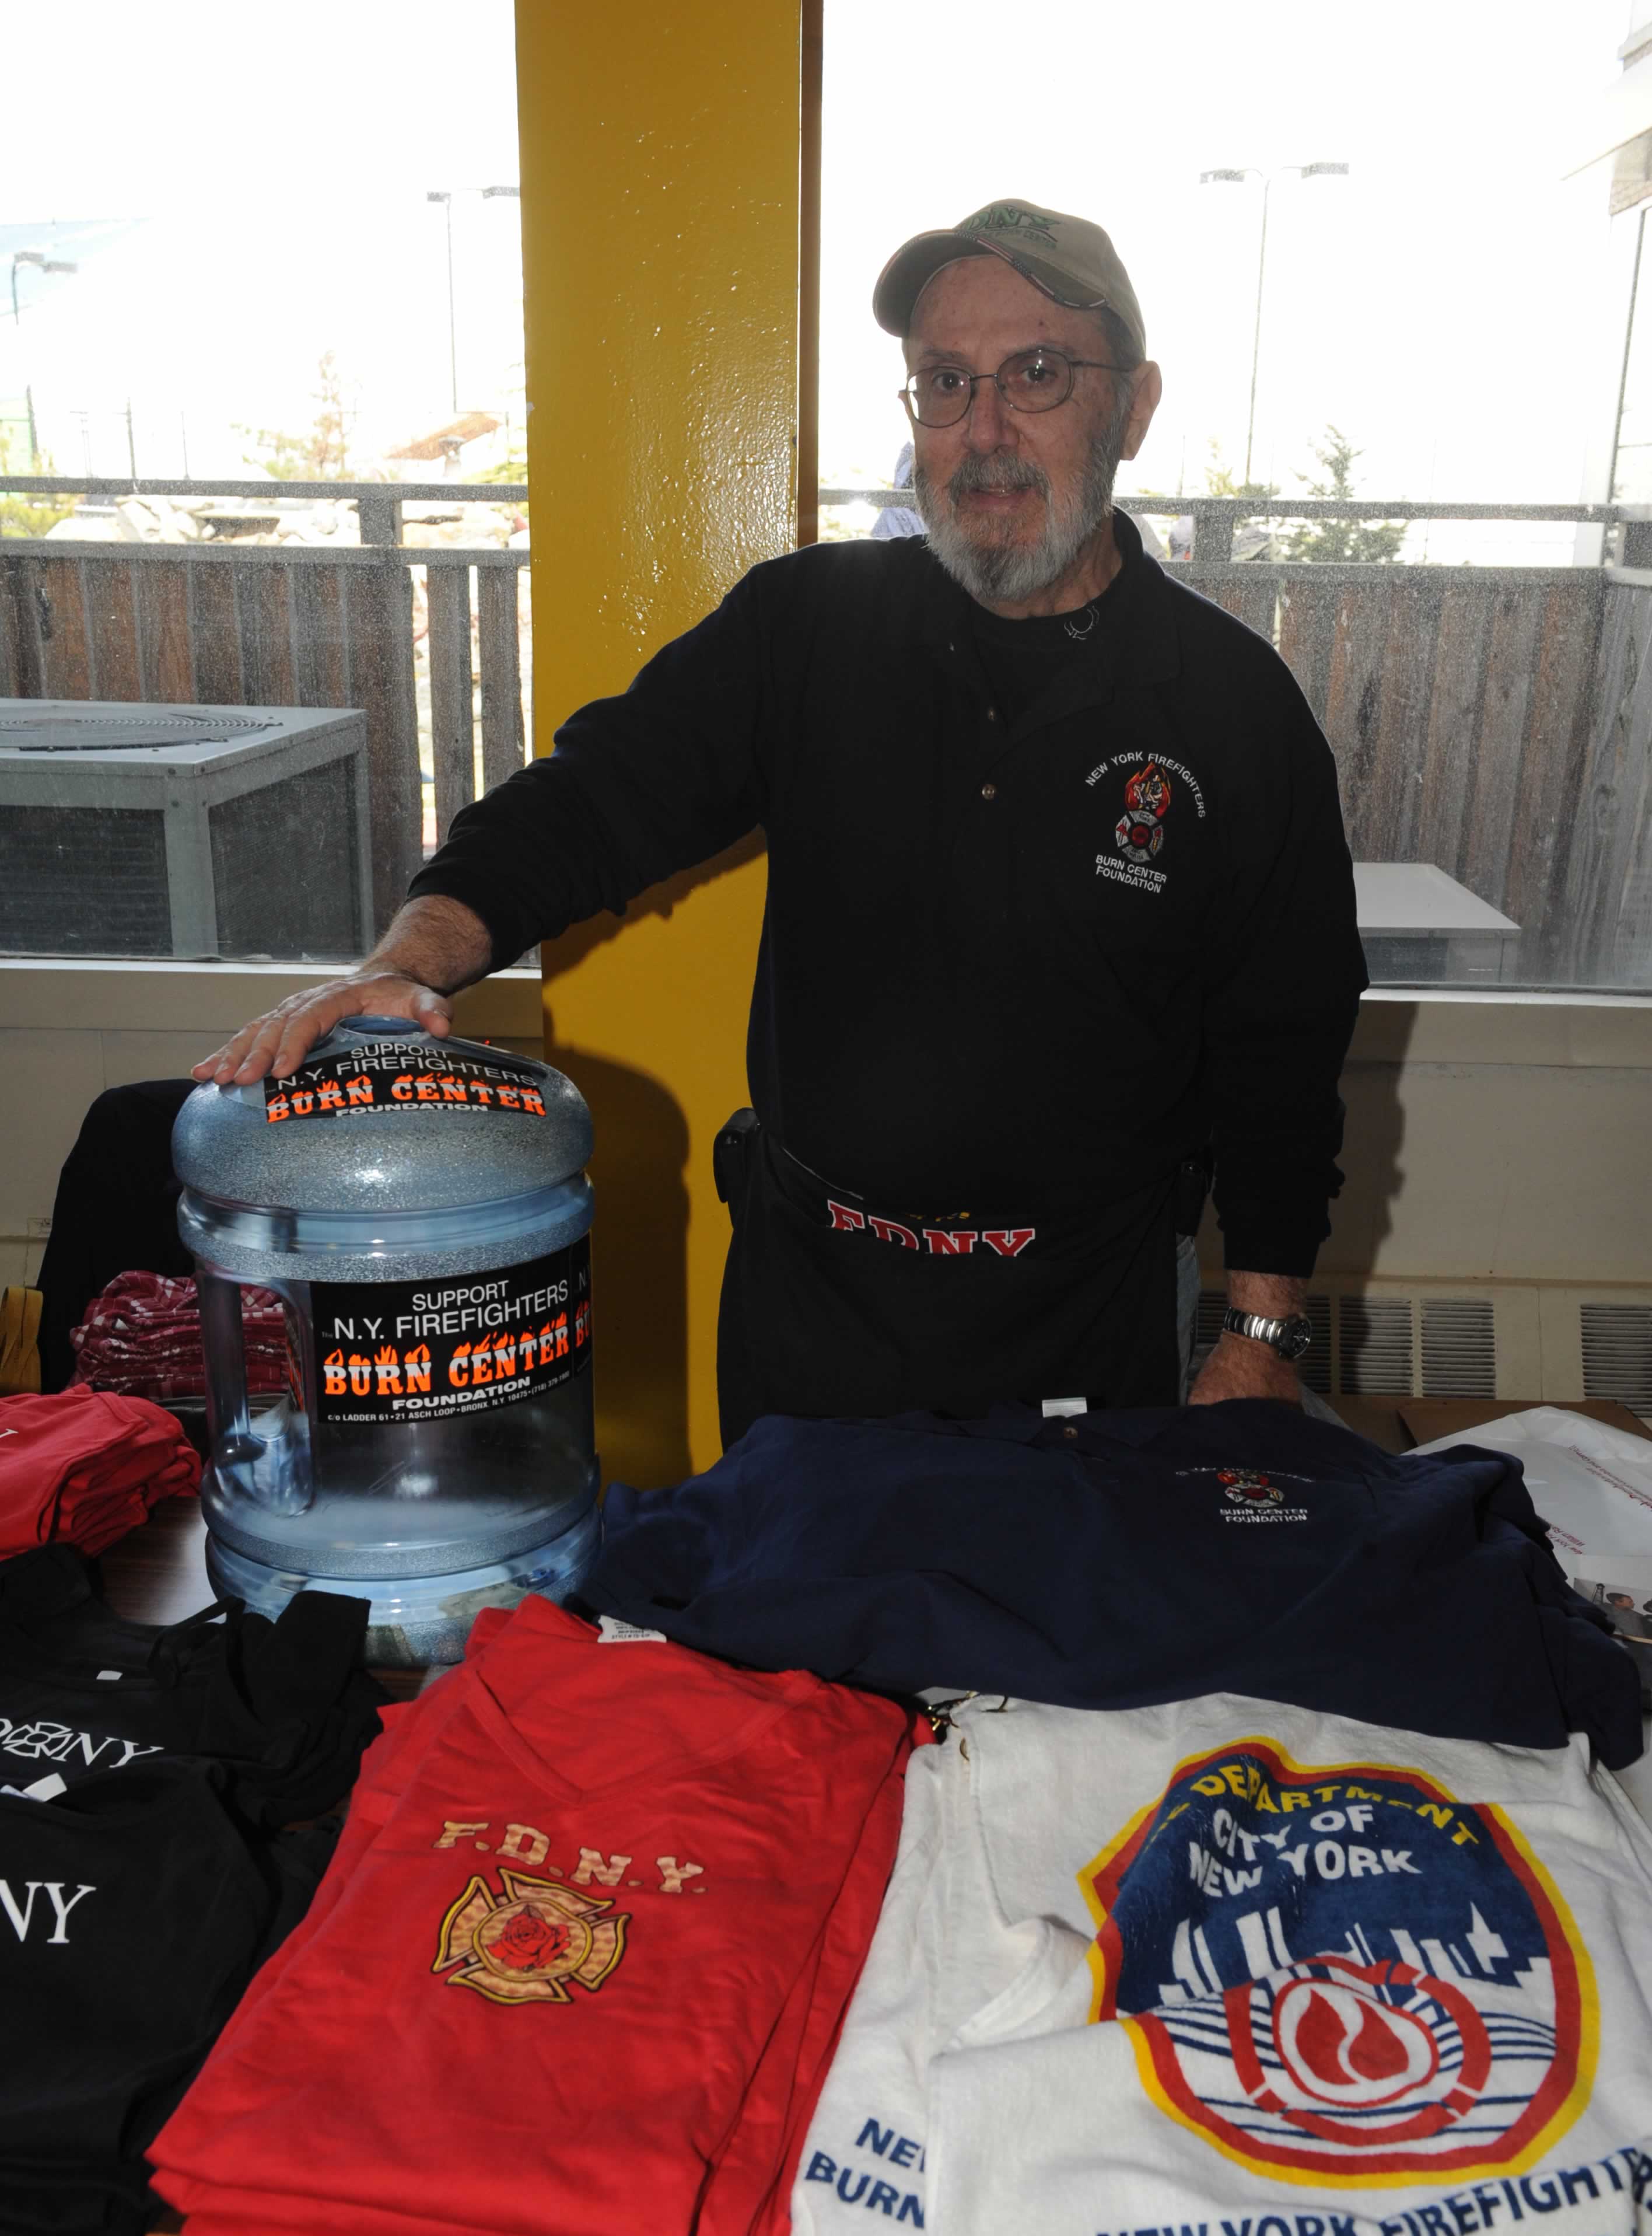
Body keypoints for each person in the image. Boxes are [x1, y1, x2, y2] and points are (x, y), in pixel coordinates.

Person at [199, 198, 1365, 1445]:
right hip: (814, 1307)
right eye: (944, 382)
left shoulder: (1234, 707)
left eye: (1036, 375)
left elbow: (1285, 1048)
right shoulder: (808, 627)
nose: (984, 432)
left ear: (1131, 407)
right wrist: (402, 967)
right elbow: (592, 799)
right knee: (778, 1583)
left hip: (1091, 1309)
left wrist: (1260, 1337)